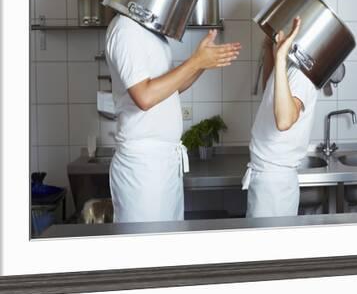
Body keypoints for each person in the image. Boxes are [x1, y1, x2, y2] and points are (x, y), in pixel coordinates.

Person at [105, 14, 241, 223]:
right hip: (143, 169)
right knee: (144, 249)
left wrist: (202, 63)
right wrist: (195, 61)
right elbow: (145, 96)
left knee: (167, 249)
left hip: (165, 165)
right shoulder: (126, 28)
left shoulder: (152, 31)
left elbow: (172, 88)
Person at [242, 16, 318, 217]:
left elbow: (284, 120)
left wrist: (281, 55)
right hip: (265, 179)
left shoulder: (303, 75)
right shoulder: (288, 68)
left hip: (275, 186)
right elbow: (271, 90)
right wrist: (270, 50)